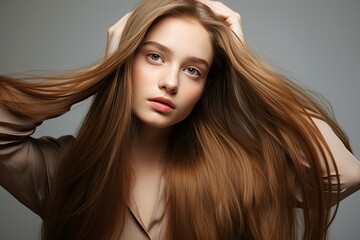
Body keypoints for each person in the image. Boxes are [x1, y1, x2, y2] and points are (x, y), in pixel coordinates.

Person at [0, 0, 359, 239]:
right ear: (126, 59)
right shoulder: (65, 170)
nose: (170, 82)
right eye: (154, 57)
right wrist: (100, 74)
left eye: (192, 70)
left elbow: (345, 174)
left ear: (205, 86)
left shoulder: (236, 175)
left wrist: (249, 69)